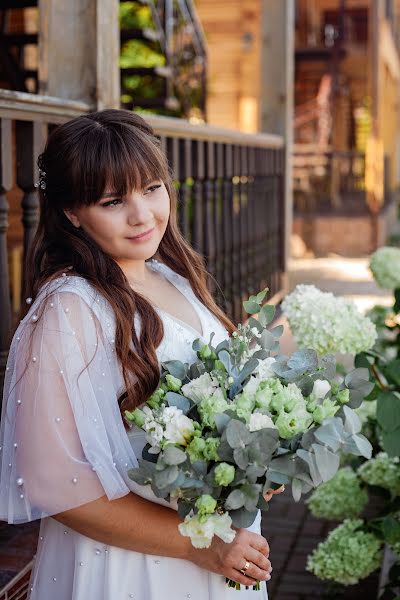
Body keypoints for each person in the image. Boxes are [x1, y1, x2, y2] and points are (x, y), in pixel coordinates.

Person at [0, 109, 281, 600]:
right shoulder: (71, 309)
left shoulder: (169, 275)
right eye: (113, 201)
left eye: (152, 188)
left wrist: (252, 466)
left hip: (218, 550)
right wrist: (200, 546)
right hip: (134, 568)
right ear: (71, 212)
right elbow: (53, 485)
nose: (143, 215)